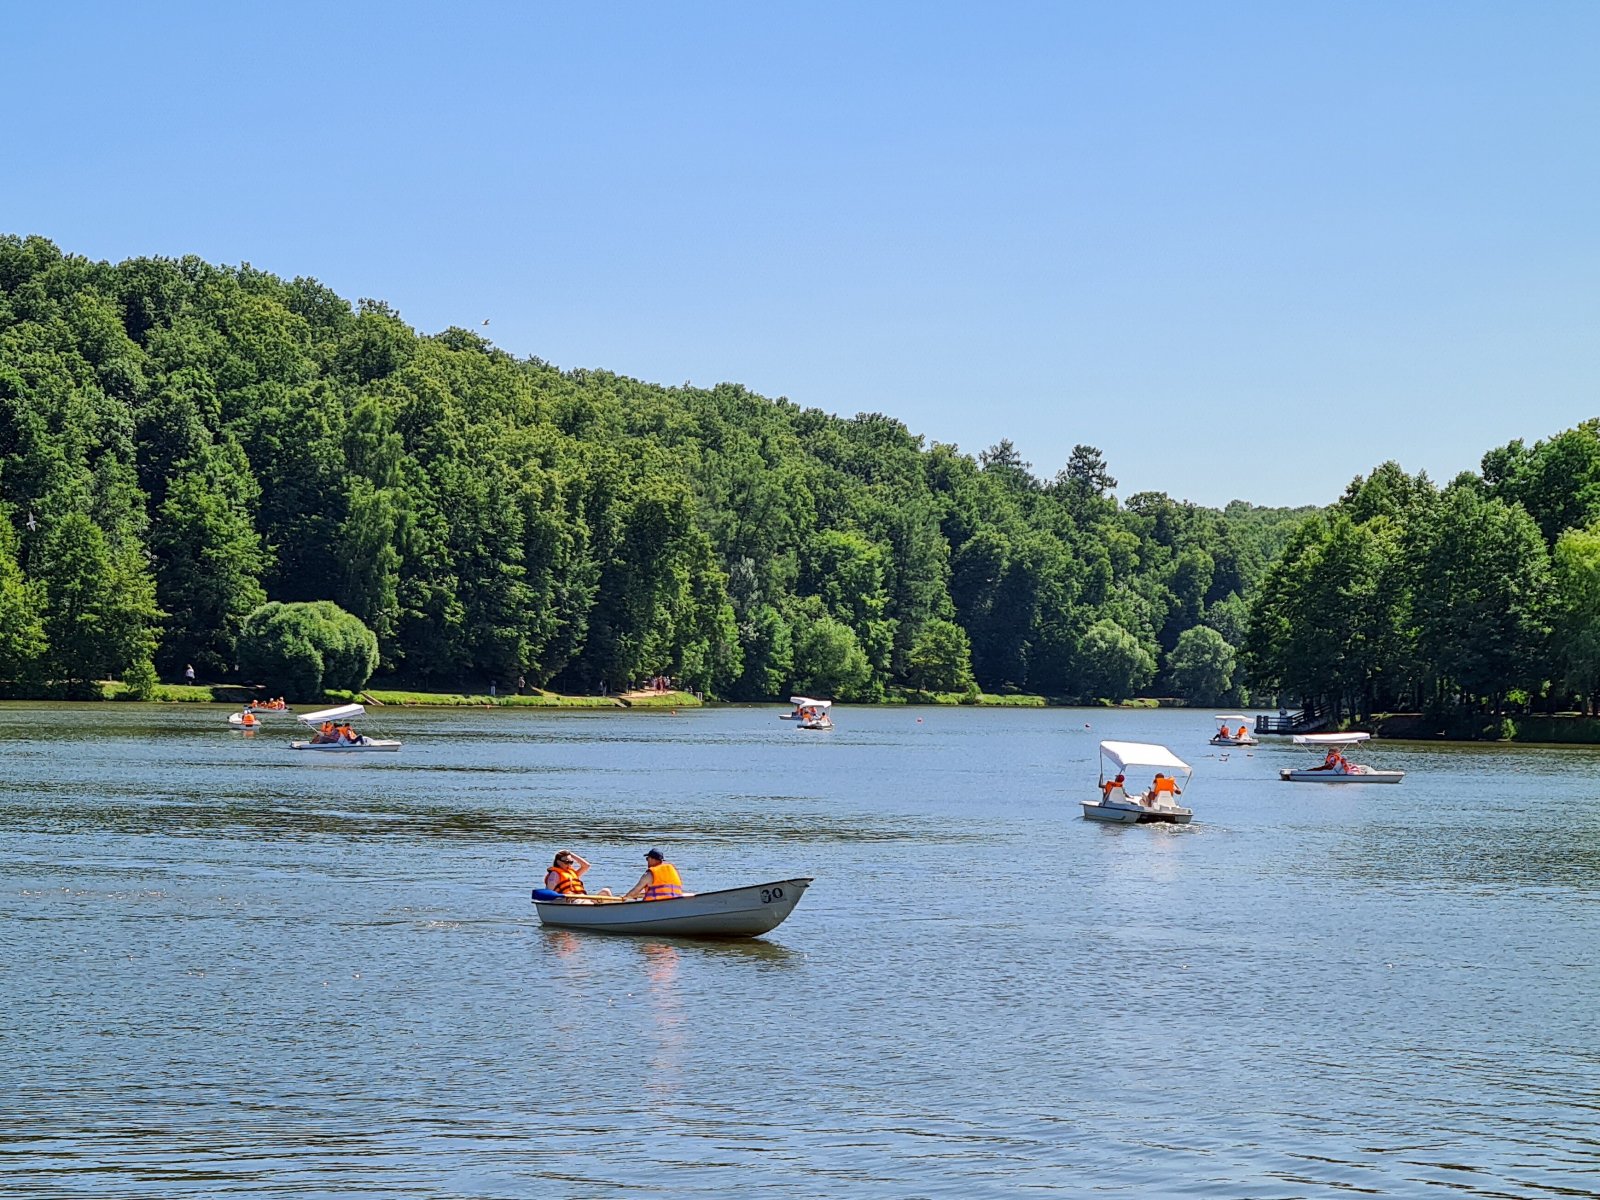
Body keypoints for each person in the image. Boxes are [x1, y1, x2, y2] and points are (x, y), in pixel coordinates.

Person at [545, 851, 613, 901]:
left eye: (571, 862)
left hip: (582, 898)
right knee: (584, 902)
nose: (569, 864)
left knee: (606, 891)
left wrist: (570, 854)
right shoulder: (554, 874)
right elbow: (549, 893)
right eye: (566, 862)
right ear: (558, 862)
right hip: (568, 901)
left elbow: (586, 865)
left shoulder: (572, 873)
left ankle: (612, 910)